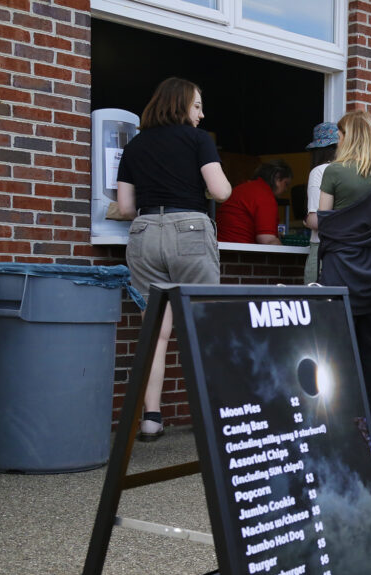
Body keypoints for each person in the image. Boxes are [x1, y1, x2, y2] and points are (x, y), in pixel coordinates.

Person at [115, 77, 232, 441]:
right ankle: (215, 417)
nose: (201, 114)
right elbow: (220, 191)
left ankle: (150, 418)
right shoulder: (199, 140)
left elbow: (125, 208)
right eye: (197, 106)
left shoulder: (134, 146)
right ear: (181, 105)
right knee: (204, 327)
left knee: (156, 334)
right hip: (190, 232)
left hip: (145, 233)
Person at [316, 110, 371, 436]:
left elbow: (322, 221)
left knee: (337, 349)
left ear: (349, 137)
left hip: (340, 271)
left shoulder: (333, 171)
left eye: (340, 134)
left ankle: (338, 423)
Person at [216, 159, 292, 245]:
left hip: (220, 249)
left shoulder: (243, 188)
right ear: (277, 178)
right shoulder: (264, 195)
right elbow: (268, 240)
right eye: (286, 184)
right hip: (239, 252)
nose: (286, 189)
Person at [303, 122, 340, 283]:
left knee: (316, 305)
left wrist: (306, 221)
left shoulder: (319, 171)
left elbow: (317, 220)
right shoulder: (353, 172)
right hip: (350, 252)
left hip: (321, 249)